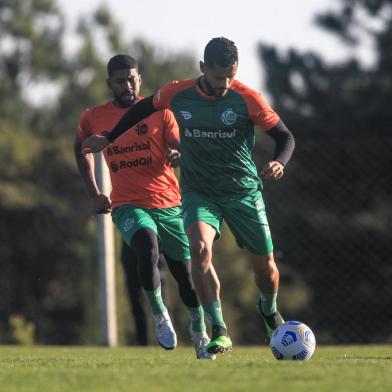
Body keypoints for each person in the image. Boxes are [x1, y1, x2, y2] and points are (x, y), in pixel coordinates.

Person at [81, 38, 295, 356]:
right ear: (202, 67)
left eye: (230, 77)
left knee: (265, 268)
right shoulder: (177, 93)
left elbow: (284, 136)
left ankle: (267, 308)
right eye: (218, 77)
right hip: (199, 193)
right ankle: (219, 329)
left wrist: (279, 161)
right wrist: (111, 138)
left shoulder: (247, 98)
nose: (224, 85)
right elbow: (142, 108)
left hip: (242, 191)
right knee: (198, 250)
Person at [74, 54, 215, 359]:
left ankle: (198, 332)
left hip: (169, 205)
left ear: (140, 78)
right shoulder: (94, 117)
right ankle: (159, 314)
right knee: (147, 249)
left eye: (133, 78)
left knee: (186, 278)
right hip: (127, 206)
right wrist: (95, 192)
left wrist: (179, 154)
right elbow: (80, 148)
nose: (128, 84)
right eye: (120, 80)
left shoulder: (160, 112)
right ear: (109, 83)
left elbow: (181, 145)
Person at [120, 241, 168, 346]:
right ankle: (143, 342)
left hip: (154, 253)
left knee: (160, 301)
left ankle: (167, 338)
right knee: (136, 302)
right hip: (130, 254)